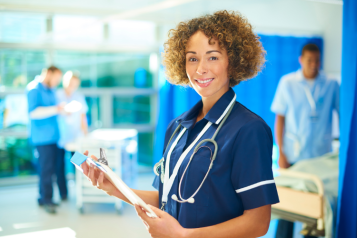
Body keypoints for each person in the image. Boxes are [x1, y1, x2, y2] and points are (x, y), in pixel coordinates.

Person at [81, 10, 279, 238]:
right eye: (192, 58)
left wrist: (183, 236)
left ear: (232, 63)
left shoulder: (249, 130)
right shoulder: (177, 126)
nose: (200, 68)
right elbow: (167, 198)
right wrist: (113, 187)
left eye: (212, 57)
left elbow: (258, 222)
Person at [271, 44, 340, 238]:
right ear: (301, 60)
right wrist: (281, 153)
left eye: (317, 60)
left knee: (315, 211)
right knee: (288, 206)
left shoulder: (331, 83)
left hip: (319, 157)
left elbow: (343, 114)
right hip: (294, 154)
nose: (314, 65)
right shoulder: (288, 83)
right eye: (309, 60)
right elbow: (280, 119)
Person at [26, 66, 67, 214]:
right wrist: (56, 109)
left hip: (54, 137)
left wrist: (62, 111)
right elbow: (34, 112)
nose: (57, 82)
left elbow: (53, 110)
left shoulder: (51, 90)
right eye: (56, 79)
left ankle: (43, 198)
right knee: (46, 170)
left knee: (50, 169)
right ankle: (47, 200)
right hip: (42, 139)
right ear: (48, 73)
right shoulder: (34, 89)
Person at [56, 71, 88, 176]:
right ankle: (64, 193)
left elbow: (83, 116)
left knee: (79, 165)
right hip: (60, 136)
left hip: (76, 136)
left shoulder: (79, 96)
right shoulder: (57, 95)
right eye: (70, 83)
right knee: (60, 166)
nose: (72, 86)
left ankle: (79, 190)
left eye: (75, 84)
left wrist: (85, 134)